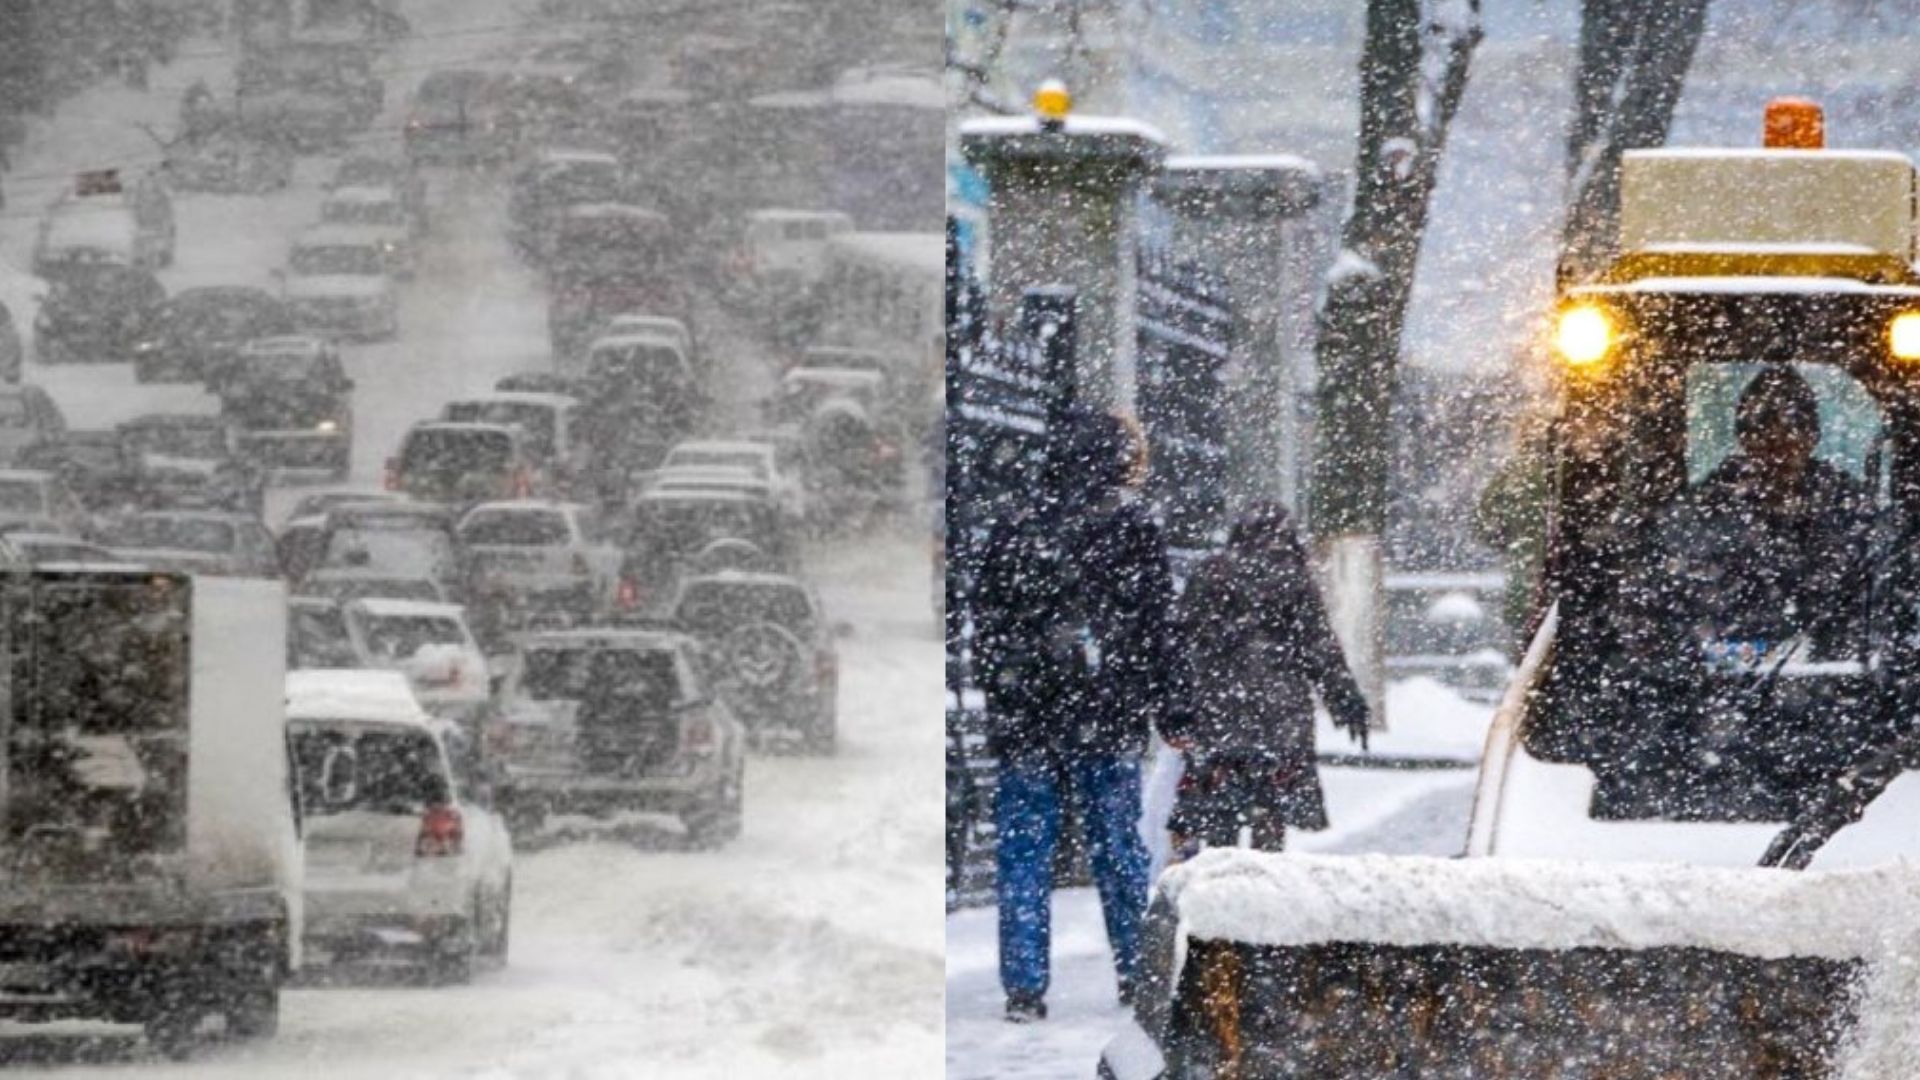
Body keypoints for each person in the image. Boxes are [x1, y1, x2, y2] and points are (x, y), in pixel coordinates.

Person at [972, 406, 1177, 1023]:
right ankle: (1134, 971)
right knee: (1117, 849)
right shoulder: (1132, 526)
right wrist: (1172, 704)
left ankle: (1025, 987)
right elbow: (1157, 628)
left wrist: (1014, 692)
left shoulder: (1016, 526)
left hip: (1028, 723)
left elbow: (988, 626)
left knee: (1025, 852)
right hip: (1106, 715)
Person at [1165, 502, 1370, 857]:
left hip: (1218, 717)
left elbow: (1180, 646)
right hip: (1280, 720)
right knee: (1270, 816)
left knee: (1219, 820)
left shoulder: (1210, 574)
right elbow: (1319, 650)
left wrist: (1176, 706)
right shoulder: (1294, 579)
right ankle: (1263, 888)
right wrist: (1345, 700)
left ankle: (1220, 887)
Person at [1668, 365, 1874, 657]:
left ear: (1812, 437)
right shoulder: (1706, 509)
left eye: (1793, 432)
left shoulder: (1849, 506)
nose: (1780, 447)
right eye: (1764, 432)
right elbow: (1683, 605)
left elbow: (1872, 599)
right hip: (1725, 675)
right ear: (1743, 439)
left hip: (1841, 675)